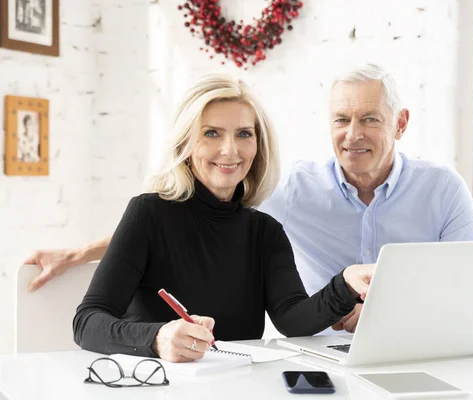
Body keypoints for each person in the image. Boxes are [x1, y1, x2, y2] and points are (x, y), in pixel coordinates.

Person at [25, 63, 473, 334]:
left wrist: (350, 289)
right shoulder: (286, 193)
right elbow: (173, 221)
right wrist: (81, 253)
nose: (352, 134)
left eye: (370, 119)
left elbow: (472, 289)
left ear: (400, 124)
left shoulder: (262, 223)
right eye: (341, 118)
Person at [72, 73, 374, 363]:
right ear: (186, 144)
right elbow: (87, 323)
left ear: (258, 146)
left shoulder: (264, 232)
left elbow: (292, 320)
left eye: (244, 134)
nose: (230, 150)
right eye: (211, 133)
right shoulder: (148, 214)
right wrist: (158, 337)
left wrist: (345, 284)